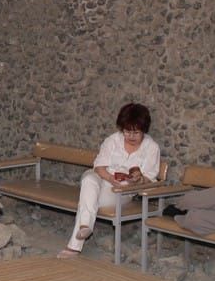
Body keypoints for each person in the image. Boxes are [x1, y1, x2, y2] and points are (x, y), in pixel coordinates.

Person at [57, 103, 161, 258]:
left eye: (136, 132)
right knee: (88, 179)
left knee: (89, 199)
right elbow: (99, 167)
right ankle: (84, 227)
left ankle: (76, 242)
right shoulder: (113, 140)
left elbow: (150, 178)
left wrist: (138, 180)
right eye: (127, 131)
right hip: (104, 177)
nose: (131, 136)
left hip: (123, 189)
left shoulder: (151, 147)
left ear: (144, 130)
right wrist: (111, 178)